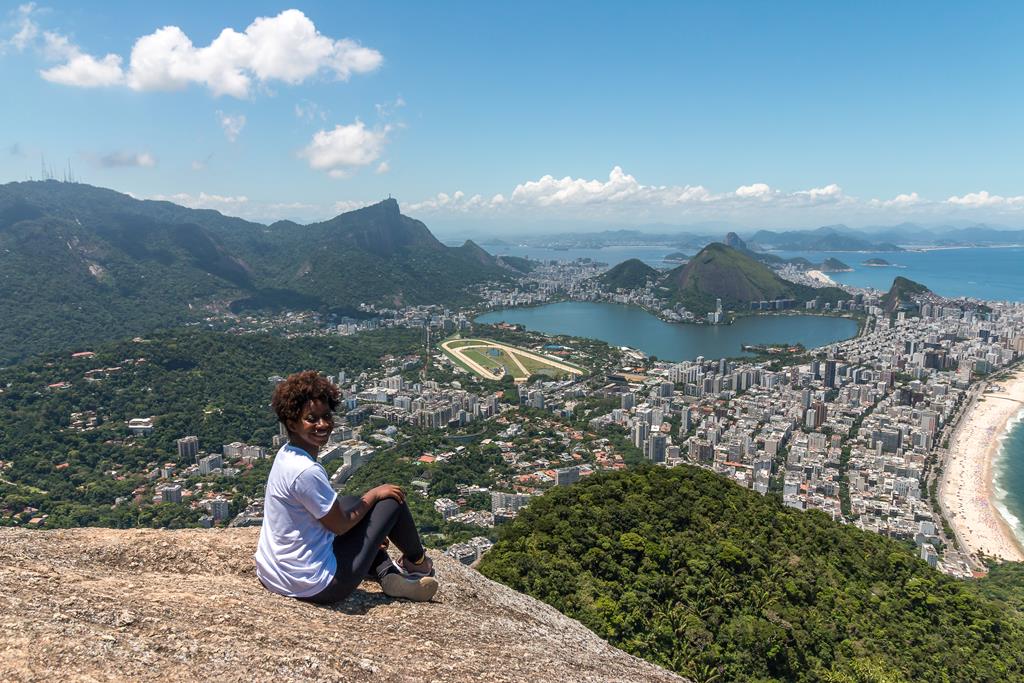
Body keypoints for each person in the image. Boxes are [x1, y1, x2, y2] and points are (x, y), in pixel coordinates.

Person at [255, 370, 438, 603]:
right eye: (312, 418)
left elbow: (338, 516)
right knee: (391, 501)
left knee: (350, 502)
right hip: (318, 585)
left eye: (326, 416)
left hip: (275, 574)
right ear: (292, 422)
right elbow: (340, 526)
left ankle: (386, 572)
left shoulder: (286, 454)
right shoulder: (305, 471)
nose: (322, 424)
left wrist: (367, 531)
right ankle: (418, 564)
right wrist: (373, 495)